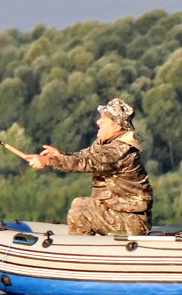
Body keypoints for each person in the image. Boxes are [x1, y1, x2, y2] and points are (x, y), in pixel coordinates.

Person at [22, 98, 153, 236]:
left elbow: (88, 162)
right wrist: (61, 156)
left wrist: (48, 161)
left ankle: (80, 253)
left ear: (117, 126)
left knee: (81, 210)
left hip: (131, 220)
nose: (98, 122)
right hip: (119, 213)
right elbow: (85, 156)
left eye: (104, 118)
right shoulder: (107, 144)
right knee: (81, 205)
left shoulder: (119, 150)